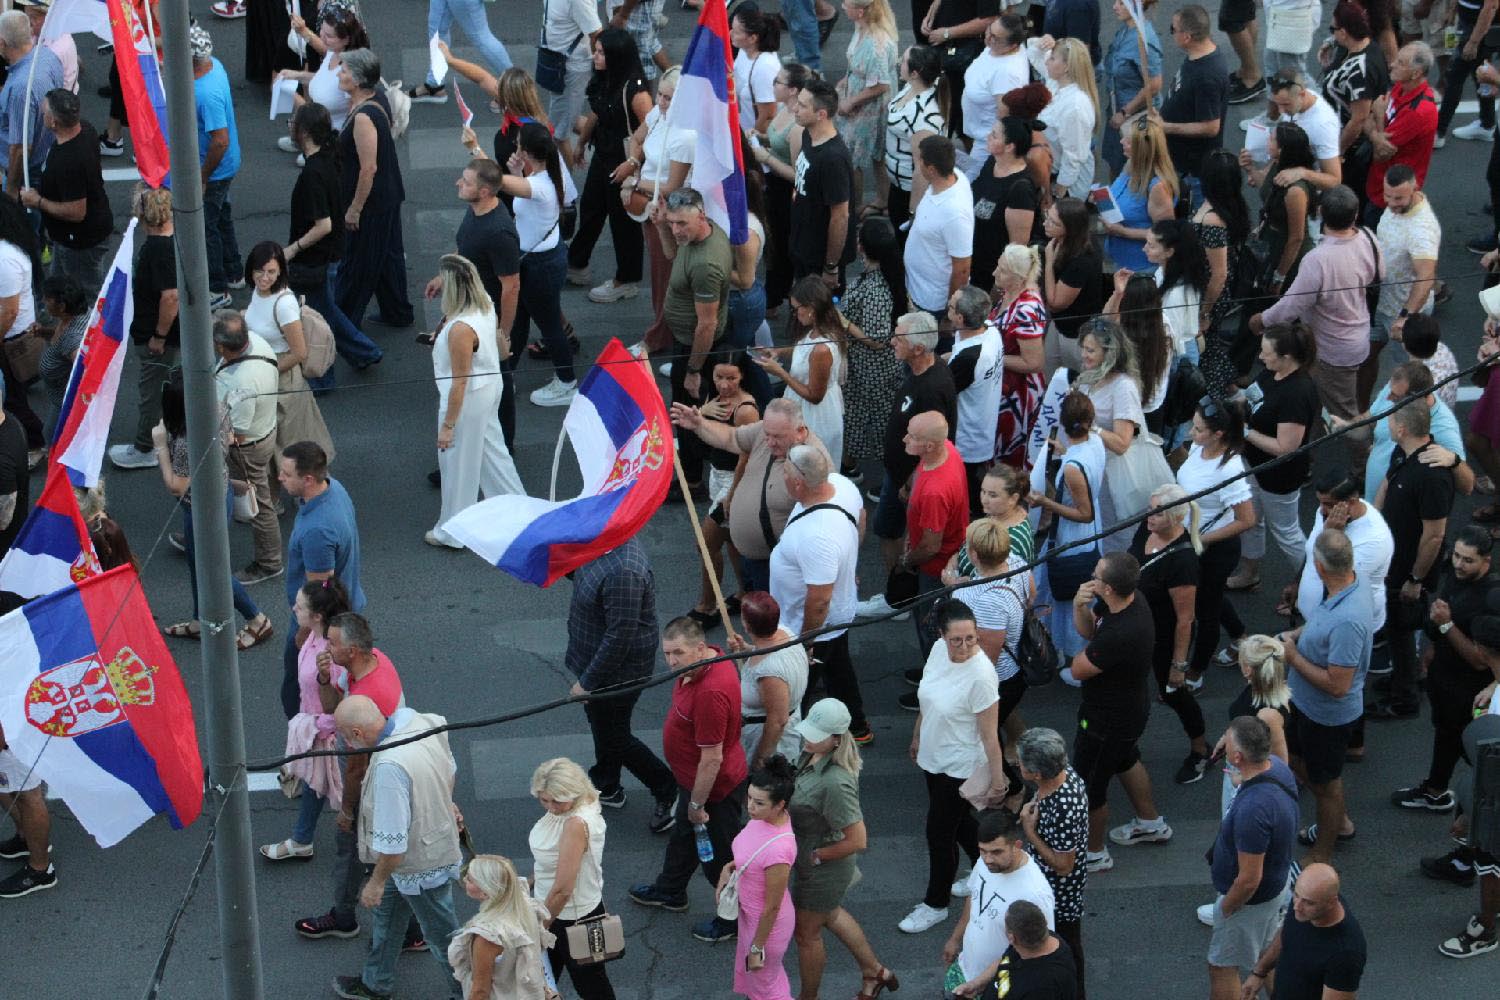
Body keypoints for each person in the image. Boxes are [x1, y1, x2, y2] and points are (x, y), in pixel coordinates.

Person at [331, 695, 463, 1000]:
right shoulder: (423, 721)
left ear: (357, 734)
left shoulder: (389, 767)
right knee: (388, 918)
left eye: (345, 737)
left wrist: (375, 883)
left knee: (443, 938)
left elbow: (394, 846)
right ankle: (375, 983)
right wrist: (444, 803)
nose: (346, 743)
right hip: (426, 848)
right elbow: (449, 769)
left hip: (418, 862)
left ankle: (469, 992)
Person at [628, 617, 749, 945]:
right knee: (683, 836)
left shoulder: (710, 691)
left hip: (713, 790)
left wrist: (697, 804)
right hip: (694, 782)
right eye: (667, 653)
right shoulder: (699, 666)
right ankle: (670, 890)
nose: (671, 661)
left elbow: (712, 758)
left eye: (678, 653)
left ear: (700, 648)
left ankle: (732, 919)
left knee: (721, 859)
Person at [900, 600, 1007, 935]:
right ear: (942, 636)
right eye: (956, 640)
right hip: (933, 755)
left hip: (960, 765)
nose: (964, 646)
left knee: (939, 833)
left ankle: (936, 904)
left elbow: (990, 735)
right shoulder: (937, 652)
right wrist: (918, 734)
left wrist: (998, 781)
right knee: (958, 824)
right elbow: (927, 697)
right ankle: (987, 868)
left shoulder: (982, 676)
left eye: (970, 638)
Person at [787, 699, 897, 1000]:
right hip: (812, 859)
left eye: (816, 734)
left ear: (836, 738)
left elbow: (858, 840)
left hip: (822, 868)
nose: (807, 737)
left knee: (806, 935)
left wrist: (816, 856)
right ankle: (875, 972)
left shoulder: (836, 781)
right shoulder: (812, 753)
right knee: (830, 914)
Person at [153, 373, 272, 650]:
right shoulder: (216, 407)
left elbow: (176, 486)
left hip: (202, 509)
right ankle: (200, 620)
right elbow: (229, 438)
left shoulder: (186, 442)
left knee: (212, 571)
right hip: (219, 491)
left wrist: (160, 447)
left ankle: (257, 619)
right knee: (198, 564)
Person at [566, 537, 678, 829]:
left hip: (617, 674)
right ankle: (607, 784)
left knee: (614, 736)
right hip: (598, 663)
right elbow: (585, 577)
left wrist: (587, 682)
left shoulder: (623, 572)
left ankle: (668, 789)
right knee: (604, 726)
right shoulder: (601, 545)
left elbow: (619, 637)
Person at [1071, 551, 1173, 872]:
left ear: (1109, 588)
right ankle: (1150, 822)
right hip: (1128, 711)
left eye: (1096, 575)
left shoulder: (1120, 633)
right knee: (1125, 759)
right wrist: (1079, 607)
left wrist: (1085, 650)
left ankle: (1094, 853)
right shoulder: (1128, 600)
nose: (1091, 577)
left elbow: (1077, 669)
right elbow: (1089, 632)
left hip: (1107, 719)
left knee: (1090, 787)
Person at [1279, 529, 1372, 863]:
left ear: (1319, 567)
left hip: (1326, 717)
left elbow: (1337, 685)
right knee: (1297, 760)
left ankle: (1322, 853)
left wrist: (1293, 657)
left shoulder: (1348, 620)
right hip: (1304, 704)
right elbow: (1320, 622)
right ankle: (1338, 822)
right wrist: (1296, 634)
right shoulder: (1348, 583)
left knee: (1327, 787)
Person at [1250, 185, 1379, 425]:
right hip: (1357, 336)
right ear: (1355, 214)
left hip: (1332, 350)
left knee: (1344, 416)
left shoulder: (1317, 259)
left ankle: (1362, 448)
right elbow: (1380, 274)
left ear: (1320, 212)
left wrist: (1262, 320)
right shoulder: (1368, 239)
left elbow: (1292, 305)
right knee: (1320, 401)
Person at [671, 398, 829, 593]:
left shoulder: (814, 463)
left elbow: (828, 521)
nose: (769, 442)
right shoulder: (765, 431)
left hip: (780, 568)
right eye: (767, 434)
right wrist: (699, 424)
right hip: (754, 559)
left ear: (800, 432)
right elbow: (731, 437)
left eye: (777, 437)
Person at [1390, 527, 1497, 812]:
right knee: (1446, 736)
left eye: (1468, 560)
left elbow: (1481, 660)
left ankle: (1475, 810)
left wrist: (1446, 625)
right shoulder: (1457, 575)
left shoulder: (1492, 599)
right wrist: (1434, 648)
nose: (1459, 564)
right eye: (1457, 556)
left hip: (1470, 692)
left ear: (1486, 561)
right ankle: (1436, 791)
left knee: (1473, 750)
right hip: (1445, 679)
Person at [857, 313, 956, 621]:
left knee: (891, 529)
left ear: (918, 349)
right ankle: (900, 593)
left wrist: (911, 482)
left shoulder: (931, 388)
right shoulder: (920, 370)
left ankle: (898, 600)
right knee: (890, 529)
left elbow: (937, 442)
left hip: (908, 481)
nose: (892, 342)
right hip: (899, 475)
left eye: (898, 338)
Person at [423, 253, 523, 547]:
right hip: (489, 388)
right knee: (493, 456)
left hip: (468, 399)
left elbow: (459, 383)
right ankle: (518, 512)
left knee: (457, 465)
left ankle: (453, 531)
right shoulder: (485, 304)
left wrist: (448, 426)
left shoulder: (460, 329)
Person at [768, 445, 864, 740]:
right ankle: (857, 727)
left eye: (785, 473)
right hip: (836, 616)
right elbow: (861, 518)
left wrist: (806, 641)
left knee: (798, 687)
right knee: (838, 668)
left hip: (813, 627)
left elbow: (820, 600)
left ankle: (787, 740)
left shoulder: (817, 537)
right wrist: (848, 565)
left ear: (798, 483)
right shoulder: (841, 485)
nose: (781, 477)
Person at [1369, 401, 1456, 720]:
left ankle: (1404, 699)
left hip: (1408, 571)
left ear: (1403, 428)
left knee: (1401, 630)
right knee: (1395, 629)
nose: (1388, 425)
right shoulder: (1403, 453)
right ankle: (1405, 678)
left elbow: (1434, 535)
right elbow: (1388, 482)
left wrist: (1415, 579)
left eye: (1391, 421)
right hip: (1392, 561)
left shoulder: (1432, 475)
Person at [285, 100, 384, 382]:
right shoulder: (328, 159)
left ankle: (324, 376)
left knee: (317, 320)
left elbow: (323, 225)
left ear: (304, 132)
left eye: (292, 123)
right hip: (330, 253)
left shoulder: (312, 173)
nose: (290, 127)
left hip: (314, 258)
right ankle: (364, 352)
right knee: (325, 311)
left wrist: (291, 250)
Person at [256, 577, 350, 862]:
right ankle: (303, 838)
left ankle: (305, 840)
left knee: (323, 784)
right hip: (315, 728)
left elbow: (341, 706)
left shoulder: (331, 655)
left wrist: (315, 728)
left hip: (325, 731)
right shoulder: (313, 634)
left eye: (299, 606)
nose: (293, 609)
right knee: (315, 782)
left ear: (317, 616)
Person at [1205, 716, 1298, 1000]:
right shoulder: (1276, 768)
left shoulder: (1254, 810)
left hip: (1251, 901)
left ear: (1238, 757)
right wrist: (1240, 780)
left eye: (1229, 741)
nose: (1224, 743)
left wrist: (1227, 907)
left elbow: (1249, 879)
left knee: (1221, 966)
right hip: (1275, 887)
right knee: (1266, 957)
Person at [490, 122, 577, 409]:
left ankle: (566, 382)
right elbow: (522, 194)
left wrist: (475, 150)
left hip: (540, 265)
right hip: (537, 260)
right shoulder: (544, 177)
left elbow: (497, 181)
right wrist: (518, 172)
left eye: (518, 145)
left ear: (525, 152)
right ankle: (507, 374)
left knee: (549, 325)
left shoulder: (540, 185)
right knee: (519, 320)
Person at [1126, 484, 1209, 783]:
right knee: (1129, 689)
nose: (1150, 516)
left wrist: (1178, 665)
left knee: (1174, 694)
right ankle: (1126, 744)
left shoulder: (1183, 561)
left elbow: (1185, 619)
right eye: (1150, 509)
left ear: (1176, 518)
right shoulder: (1146, 529)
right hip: (1139, 628)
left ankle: (1201, 750)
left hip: (1165, 636)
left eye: (1158, 512)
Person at [278, 439, 366, 719]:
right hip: (346, 610)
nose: (279, 477)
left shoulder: (317, 531)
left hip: (318, 625)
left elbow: (319, 595)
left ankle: (304, 736)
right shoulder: (333, 487)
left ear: (308, 479)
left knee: (298, 691)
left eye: (286, 474)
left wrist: (303, 638)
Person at [1228, 323, 1319, 591]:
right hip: (1253, 465)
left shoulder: (1297, 393)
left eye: (1266, 352)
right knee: (1250, 520)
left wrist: (1245, 432)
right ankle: (1249, 573)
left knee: (1286, 532)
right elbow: (1251, 398)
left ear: (1286, 357)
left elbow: (1285, 447)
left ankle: (1315, 585)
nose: (1260, 357)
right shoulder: (1271, 373)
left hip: (1279, 476)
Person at [1176, 399, 1256, 693]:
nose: (1191, 432)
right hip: (1194, 541)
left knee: (1205, 610)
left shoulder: (1229, 469)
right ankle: (1240, 637)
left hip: (1214, 550)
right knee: (1211, 595)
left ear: (1218, 434)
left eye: (1198, 429)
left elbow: (1247, 519)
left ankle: (1195, 672)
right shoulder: (1198, 448)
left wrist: (1201, 539)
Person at [335, 49, 415, 332]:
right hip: (388, 195)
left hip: (371, 204)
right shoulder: (376, 98)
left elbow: (368, 169)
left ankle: (344, 323)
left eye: (344, 70)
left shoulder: (363, 118)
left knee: (357, 263)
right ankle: (397, 311)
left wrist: (354, 210)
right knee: (388, 257)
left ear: (357, 80)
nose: (339, 74)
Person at [568, 29, 650, 303]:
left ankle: (626, 279)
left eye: (601, 52)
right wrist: (581, 142)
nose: (595, 56)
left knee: (623, 221)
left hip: (624, 160)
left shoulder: (636, 91)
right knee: (591, 207)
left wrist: (633, 163)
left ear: (616, 55)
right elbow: (597, 111)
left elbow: (652, 131)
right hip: (604, 153)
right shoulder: (608, 78)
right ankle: (577, 263)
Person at [241, 242, 337, 478]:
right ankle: (277, 492)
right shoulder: (259, 292)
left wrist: (266, 372)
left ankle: (313, 489)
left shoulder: (284, 304)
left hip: (283, 380)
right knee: (273, 444)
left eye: (271, 272)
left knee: (293, 445)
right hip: (264, 373)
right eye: (259, 271)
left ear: (280, 272)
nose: (264, 277)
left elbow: (299, 353)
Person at [944, 809, 1056, 998]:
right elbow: (974, 898)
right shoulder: (987, 863)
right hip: (964, 969)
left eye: (996, 852)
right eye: (983, 851)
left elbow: (1036, 950)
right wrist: (955, 938)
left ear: (1016, 846)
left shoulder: (1034, 893)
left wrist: (981, 982)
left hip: (997, 987)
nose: (988, 859)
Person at [1027, 392, 1105, 660]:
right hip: (1091, 531)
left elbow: (1084, 513)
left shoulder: (1073, 467)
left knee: (1063, 592)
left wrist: (1044, 501)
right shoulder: (1096, 442)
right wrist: (1064, 451)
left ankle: (1068, 650)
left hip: (1072, 535)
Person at [528, 759, 614, 999]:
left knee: (589, 985)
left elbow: (563, 889)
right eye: (544, 800)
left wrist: (539, 929)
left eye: (557, 800)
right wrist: (529, 883)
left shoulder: (575, 824)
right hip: (560, 910)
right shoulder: (581, 803)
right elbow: (553, 865)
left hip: (569, 917)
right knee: (543, 979)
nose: (551, 807)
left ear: (573, 792)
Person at [712, 754, 795, 996]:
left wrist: (758, 947)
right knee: (761, 983)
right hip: (750, 919)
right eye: (749, 797)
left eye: (759, 802)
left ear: (780, 805)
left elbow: (772, 907)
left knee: (764, 989)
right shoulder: (762, 819)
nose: (750, 807)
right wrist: (727, 869)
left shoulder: (780, 850)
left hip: (766, 930)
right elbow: (750, 857)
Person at [107, 187, 178, 471]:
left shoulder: (158, 250)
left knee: (152, 393)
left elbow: (170, 297)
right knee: (163, 387)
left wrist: (158, 337)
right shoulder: (173, 242)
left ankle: (146, 447)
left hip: (157, 337)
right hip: (164, 334)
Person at [1015, 728, 1090, 992]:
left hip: (1060, 893)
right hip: (1045, 882)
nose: (1017, 763)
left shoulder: (1064, 807)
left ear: (1036, 773)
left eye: (1021, 762)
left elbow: (1063, 866)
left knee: (1065, 947)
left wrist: (1030, 831)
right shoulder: (1060, 772)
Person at [688, 356, 761, 624]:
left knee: (706, 544)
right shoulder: (715, 397)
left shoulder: (746, 410)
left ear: (742, 376)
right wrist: (703, 412)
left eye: (732, 378)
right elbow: (702, 437)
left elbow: (746, 457)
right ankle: (744, 592)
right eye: (719, 377)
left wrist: (732, 496)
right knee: (732, 541)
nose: (725, 384)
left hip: (734, 481)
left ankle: (707, 606)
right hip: (718, 475)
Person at [212, 311, 282, 586]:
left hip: (247, 447)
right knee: (254, 492)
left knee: (259, 504)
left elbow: (237, 434)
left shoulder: (241, 382)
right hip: (265, 430)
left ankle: (269, 562)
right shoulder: (256, 342)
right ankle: (203, 535)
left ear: (221, 347)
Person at [896, 412, 970, 672]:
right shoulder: (946, 448)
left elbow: (930, 546)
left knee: (931, 626)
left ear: (928, 446)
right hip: (949, 553)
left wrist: (906, 560)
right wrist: (909, 487)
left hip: (935, 570)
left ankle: (935, 675)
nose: (905, 439)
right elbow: (921, 469)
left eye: (912, 436)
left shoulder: (934, 492)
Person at [1362, 165, 1440, 410]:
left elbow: (1426, 277)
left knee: (1407, 376)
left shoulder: (1422, 229)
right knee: (1365, 357)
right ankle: (1360, 412)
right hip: (1380, 303)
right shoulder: (1395, 207)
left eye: (1398, 199)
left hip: (1403, 314)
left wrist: (1405, 317)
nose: (1391, 203)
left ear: (1415, 188)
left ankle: (1406, 419)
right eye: (1388, 196)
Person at [18, 88, 110, 287]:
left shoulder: (70, 162)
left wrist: (38, 201)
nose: (41, 114)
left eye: (44, 112)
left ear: (53, 122)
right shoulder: (85, 129)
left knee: (83, 293)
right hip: (68, 238)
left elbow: (77, 212)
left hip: (81, 243)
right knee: (59, 284)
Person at [840, 216, 907, 476]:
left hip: (872, 369)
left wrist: (843, 322)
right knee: (863, 415)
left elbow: (877, 340)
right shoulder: (889, 273)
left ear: (862, 247)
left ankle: (889, 475)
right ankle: (852, 464)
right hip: (870, 368)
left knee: (876, 419)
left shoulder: (876, 290)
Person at [1242, 864, 1367, 999]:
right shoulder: (1305, 902)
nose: (1297, 906)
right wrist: (1259, 972)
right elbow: (1287, 933)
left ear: (1332, 902)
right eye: (1296, 895)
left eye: (1309, 903)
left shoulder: (1345, 954)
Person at [185, 26, 244, 312]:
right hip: (226, 164)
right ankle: (234, 271)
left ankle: (218, 288)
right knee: (222, 218)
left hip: (215, 169)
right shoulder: (215, 66)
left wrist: (202, 176)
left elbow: (220, 140)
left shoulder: (203, 94)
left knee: (207, 227)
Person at [1071, 320, 1143, 554]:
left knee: (1111, 533)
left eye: (1090, 350)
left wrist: (1090, 427)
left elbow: (1122, 444)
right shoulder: (1090, 376)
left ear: (1109, 353)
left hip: (1112, 476)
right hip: (1091, 467)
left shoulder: (1123, 387)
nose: (1084, 355)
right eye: (1083, 348)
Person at [760, 277, 846, 468]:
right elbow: (804, 348)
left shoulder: (822, 349)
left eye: (796, 308)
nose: (794, 313)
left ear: (811, 308)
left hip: (815, 417)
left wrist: (780, 373)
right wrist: (779, 352)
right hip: (804, 408)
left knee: (808, 468)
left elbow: (815, 396)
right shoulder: (819, 329)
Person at [750, 62, 812, 311]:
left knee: (781, 246)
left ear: (793, 90)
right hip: (774, 188)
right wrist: (761, 137)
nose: (773, 84)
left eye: (778, 81)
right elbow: (777, 139)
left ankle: (776, 296)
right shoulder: (785, 110)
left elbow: (798, 175)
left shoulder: (797, 126)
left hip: (786, 193)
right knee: (774, 243)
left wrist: (766, 158)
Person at [450, 854, 556, 1000]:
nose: (464, 880)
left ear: (485, 891)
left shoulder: (487, 935)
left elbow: (480, 991)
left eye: (470, 879)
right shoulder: (525, 905)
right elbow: (510, 878)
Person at [1191, 150, 1251, 391]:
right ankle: (1229, 390)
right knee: (1210, 344)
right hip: (1213, 289)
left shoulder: (1212, 221)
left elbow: (1219, 274)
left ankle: (1221, 394)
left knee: (1206, 346)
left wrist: (1204, 312)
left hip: (1210, 293)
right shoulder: (1230, 206)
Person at [1321, 3, 1389, 215]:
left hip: (1350, 146)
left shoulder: (1361, 71)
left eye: (1333, 30)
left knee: (1344, 197)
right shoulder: (1365, 47)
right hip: (1344, 135)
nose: (1332, 35)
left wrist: (1338, 151)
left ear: (1344, 32)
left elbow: (1358, 119)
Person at [1158, 5, 1229, 206]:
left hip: (1194, 167)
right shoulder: (1198, 56)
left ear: (1187, 37)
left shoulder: (1207, 76)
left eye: (1173, 29)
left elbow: (1211, 127)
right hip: (1181, 159)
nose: (1171, 33)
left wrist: (1166, 127)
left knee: (1194, 214)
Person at [733, 592, 810, 768]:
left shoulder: (769, 671)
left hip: (772, 741)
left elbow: (778, 720)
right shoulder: (786, 632)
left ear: (746, 625)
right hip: (786, 723)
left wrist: (761, 760)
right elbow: (766, 649)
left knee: (767, 783)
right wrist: (746, 648)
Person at [988, 245, 1047, 470]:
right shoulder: (1008, 292)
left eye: (1002, 270)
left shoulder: (1027, 309)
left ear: (1019, 279)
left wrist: (990, 357)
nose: (994, 273)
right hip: (1003, 387)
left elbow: (1034, 362)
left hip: (1019, 395)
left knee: (1011, 460)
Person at [791, 78, 854, 287]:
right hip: (803, 244)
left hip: (819, 258)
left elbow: (840, 217)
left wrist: (831, 266)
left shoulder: (833, 159)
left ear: (821, 114)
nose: (795, 109)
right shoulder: (808, 135)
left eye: (802, 106)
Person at [1244, 122, 1318, 299]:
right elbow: (1267, 191)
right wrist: (1250, 168)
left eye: (1272, 139)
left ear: (1282, 149)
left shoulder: (1295, 191)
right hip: (1270, 239)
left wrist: (1279, 276)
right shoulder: (1277, 164)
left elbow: (1296, 237)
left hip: (1286, 252)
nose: (1267, 141)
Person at [1364, 42, 1439, 216]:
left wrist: (1378, 118)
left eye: (1400, 63)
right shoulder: (1401, 87)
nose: (1392, 65)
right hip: (1377, 182)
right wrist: (1376, 134)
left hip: (1392, 195)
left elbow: (1380, 153)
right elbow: (1366, 120)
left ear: (1416, 73)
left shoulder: (1418, 112)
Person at [904, 135, 974, 318]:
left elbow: (962, 269)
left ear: (932, 169)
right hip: (918, 288)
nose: (917, 163)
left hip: (932, 303)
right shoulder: (954, 176)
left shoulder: (954, 214)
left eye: (920, 160)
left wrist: (951, 312)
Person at [969, 117, 1042, 292]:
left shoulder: (1020, 189)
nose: (988, 136)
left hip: (992, 276)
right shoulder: (991, 163)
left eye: (994, 135)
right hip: (975, 263)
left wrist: (999, 288)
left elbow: (1017, 249)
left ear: (1009, 147)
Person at [947, 286, 1002, 509]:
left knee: (969, 495)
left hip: (967, 438)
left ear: (960, 318)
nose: (948, 306)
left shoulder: (970, 357)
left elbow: (943, 392)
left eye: (951, 306)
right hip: (983, 427)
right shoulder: (990, 329)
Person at [955, 900, 1078, 999]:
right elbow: (1005, 960)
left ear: (1011, 938)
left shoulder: (1044, 988)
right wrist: (976, 984)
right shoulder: (1034, 939)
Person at [278, 2, 368, 138]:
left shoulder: (350, 73)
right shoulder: (334, 51)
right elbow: (325, 78)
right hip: (320, 132)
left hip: (333, 138)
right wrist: (295, 75)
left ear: (346, 40)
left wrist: (293, 96)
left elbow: (353, 117)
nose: (322, 37)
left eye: (329, 36)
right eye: (322, 30)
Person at [1103, 114, 1178, 273]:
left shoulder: (1158, 187)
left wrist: (1123, 232)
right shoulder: (1131, 165)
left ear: (1142, 150)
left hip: (1142, 267)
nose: (1122, 142)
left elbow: (1164, 233)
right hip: (1119, 258)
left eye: (1128, 141)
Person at [883, 45, 948, 229]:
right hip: (898, 183)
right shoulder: (911, 87)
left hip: (908, 191)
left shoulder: (923, 118)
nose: (899, 63)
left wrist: (913, 211)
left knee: (903, 236)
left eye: (903, 61)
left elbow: (922, 168)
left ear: (915, 73)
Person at [0, 10, 62, 197]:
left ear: (2, 43)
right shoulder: (48, 56)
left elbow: (20, 148)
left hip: (25, 175)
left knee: (22, 216)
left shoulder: (20, 89)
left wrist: (11, 191)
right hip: (46, 155)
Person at [958, 13, 1029, 176]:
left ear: (1013, 45)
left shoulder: (1007, 74)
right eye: (989, 30)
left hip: (986, 142)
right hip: (978, 134)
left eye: (995, 37)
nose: (988, 37)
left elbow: (1004, 118)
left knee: (970, 182)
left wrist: (993, 148)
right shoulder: (995, 48)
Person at [0, 199, 43, 467]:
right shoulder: (13, 248)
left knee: (13, 399)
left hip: (10, 339)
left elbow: (9, 311)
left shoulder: (4, 258)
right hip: (15, 335)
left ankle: (35, 443)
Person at [1040, 198, 1103, 376]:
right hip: (1058, 324)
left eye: (1054, 222)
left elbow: (1055, 303)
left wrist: (1049, 262)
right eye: (1047, 216)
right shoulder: (1061, 241)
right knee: (1048, 370)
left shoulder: (1082, 258)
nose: (1046, 223)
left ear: (1070, 228)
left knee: (1074, 378)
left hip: (1076, 333)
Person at [1101, 0, 1164, 178]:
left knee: (1134, 170)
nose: (1114, 6)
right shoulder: (1126, 29)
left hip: (1134, 117)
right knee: (1116, 163)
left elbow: (1154, 83)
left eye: (1122, 3)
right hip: (1118, 109)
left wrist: (1125, 112)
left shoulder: (1144, 39)